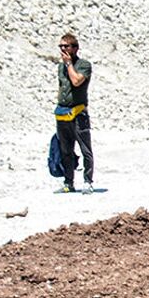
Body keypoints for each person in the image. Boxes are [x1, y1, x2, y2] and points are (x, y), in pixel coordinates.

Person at [53, 32, 94, 194]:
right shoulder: (61, 67)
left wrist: (69, 64)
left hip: (78, 114)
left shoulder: (84, 65)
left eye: (66, 46)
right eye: (61, 46)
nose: (63, 49)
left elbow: (77, 81)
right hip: (63, 113)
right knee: (65, 150)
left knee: (85, 150)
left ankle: (88, 181)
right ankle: (68, 182)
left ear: (75, 48)